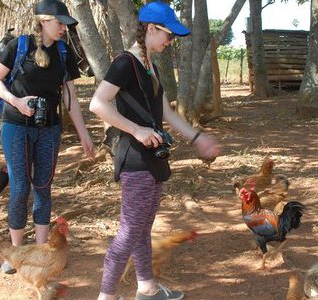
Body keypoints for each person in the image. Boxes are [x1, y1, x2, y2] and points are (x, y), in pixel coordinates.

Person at [88, 1, 221, 299]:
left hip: (153, 159)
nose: (170, 41)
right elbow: (97, 103)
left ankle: (146, 287)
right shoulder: (125, 63)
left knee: (142, 227)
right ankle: (106, 296)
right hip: (135, 160)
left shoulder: (150, 67)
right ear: (150, 29)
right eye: (168, 35)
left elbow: (167, 115)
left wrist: (197, 137)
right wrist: (136, 129)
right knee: (129, 232)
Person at [0, 0, 94, 274]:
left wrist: (85, 136)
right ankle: (15, 254)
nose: (63, 29)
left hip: (49, 129)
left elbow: (70, 98)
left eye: (65, 24)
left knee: (43, 188)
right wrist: (17, 101)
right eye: (59, 23)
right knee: (20, 188)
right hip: (16, 126)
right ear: (43, 21)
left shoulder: (63, 52)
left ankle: (41, 252)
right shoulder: (18, 46)